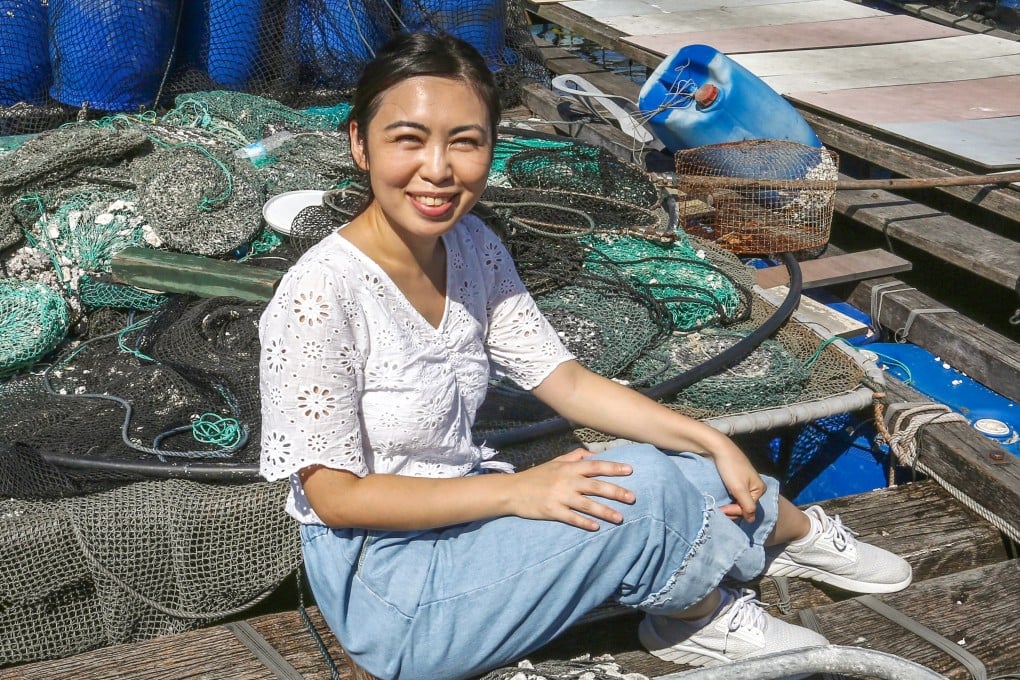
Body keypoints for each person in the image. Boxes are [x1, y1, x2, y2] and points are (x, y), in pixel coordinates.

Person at [259, 31, 912, 680]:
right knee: (646, 489)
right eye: (409, 139)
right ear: (359, 143)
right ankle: (695, 623)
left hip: (463, 515)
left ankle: (789, 535)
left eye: (466, 141)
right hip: (390, 590)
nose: (438, 169)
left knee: (680, 462)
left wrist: (710, 442)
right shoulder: (319, 296)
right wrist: (518, 493)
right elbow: (337, 499)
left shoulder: (471, 245)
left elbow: (564, 381)